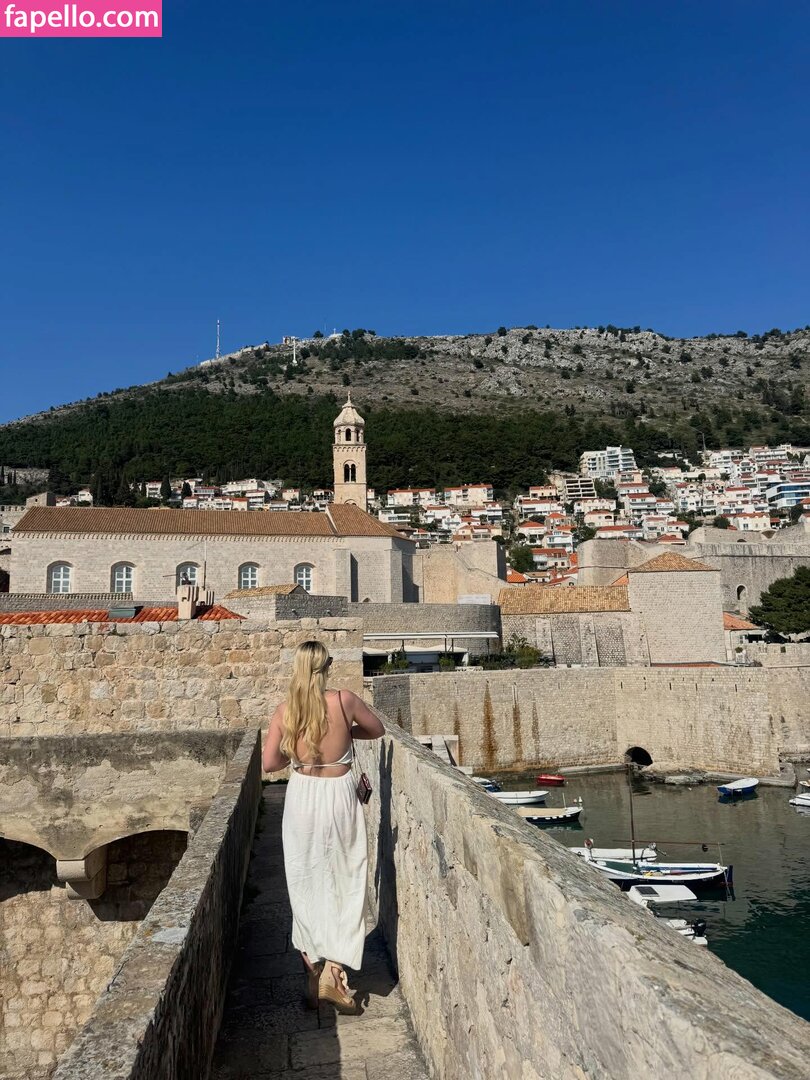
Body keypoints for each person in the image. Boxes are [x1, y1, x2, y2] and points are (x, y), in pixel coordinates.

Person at [262, 640, 385, 1013]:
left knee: (306, 881)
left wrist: (295, 748)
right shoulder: (344, 701)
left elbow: (269, 764)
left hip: (302, 795)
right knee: (345, 877)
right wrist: (347, 732)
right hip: (339, 795)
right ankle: (333, 968)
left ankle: (315, 968)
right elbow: (376, 729)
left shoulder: (286, 711)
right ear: (326, 667)